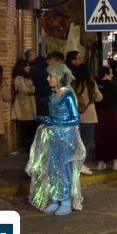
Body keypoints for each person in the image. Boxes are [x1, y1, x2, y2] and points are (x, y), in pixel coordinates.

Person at [26, 63, 86, 215]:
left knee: (64, 169)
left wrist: (56, 122)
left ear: (59, 77)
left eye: (50, 76)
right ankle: (54, 199)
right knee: (52, 169)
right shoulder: (53, 94)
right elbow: (55, 115)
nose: (47, 79)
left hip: (67, 137)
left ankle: (65, 201)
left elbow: (75, 118)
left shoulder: (68, 95)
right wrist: (48, 119)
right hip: (53, 136)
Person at [72, 63, 103, 174]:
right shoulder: (91, 83)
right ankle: (80, 163)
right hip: (89, 115)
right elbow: (99, 97)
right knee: (87, 141)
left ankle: (75, 163)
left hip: (75, 115)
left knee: (76, 141)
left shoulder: (73, 83)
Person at [94, 66, 117, 171]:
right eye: (111, 73)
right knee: (114, 137)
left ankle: (100, 162)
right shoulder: (112, 85)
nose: (112, 75)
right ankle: (115, 163)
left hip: (99, 113)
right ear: (106, 74)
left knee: (101, 138)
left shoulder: (96, 84)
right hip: (112, 113)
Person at [11, 59, 37, 152]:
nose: (28, 67)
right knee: (26, 127)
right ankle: (26, 146)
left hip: (30, 104)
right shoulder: (19, 78)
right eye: (26, 66)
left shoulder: (27, 77)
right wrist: (35, 88)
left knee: (30, 126)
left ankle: (29, 145)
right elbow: (24, 90)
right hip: (24, 105)